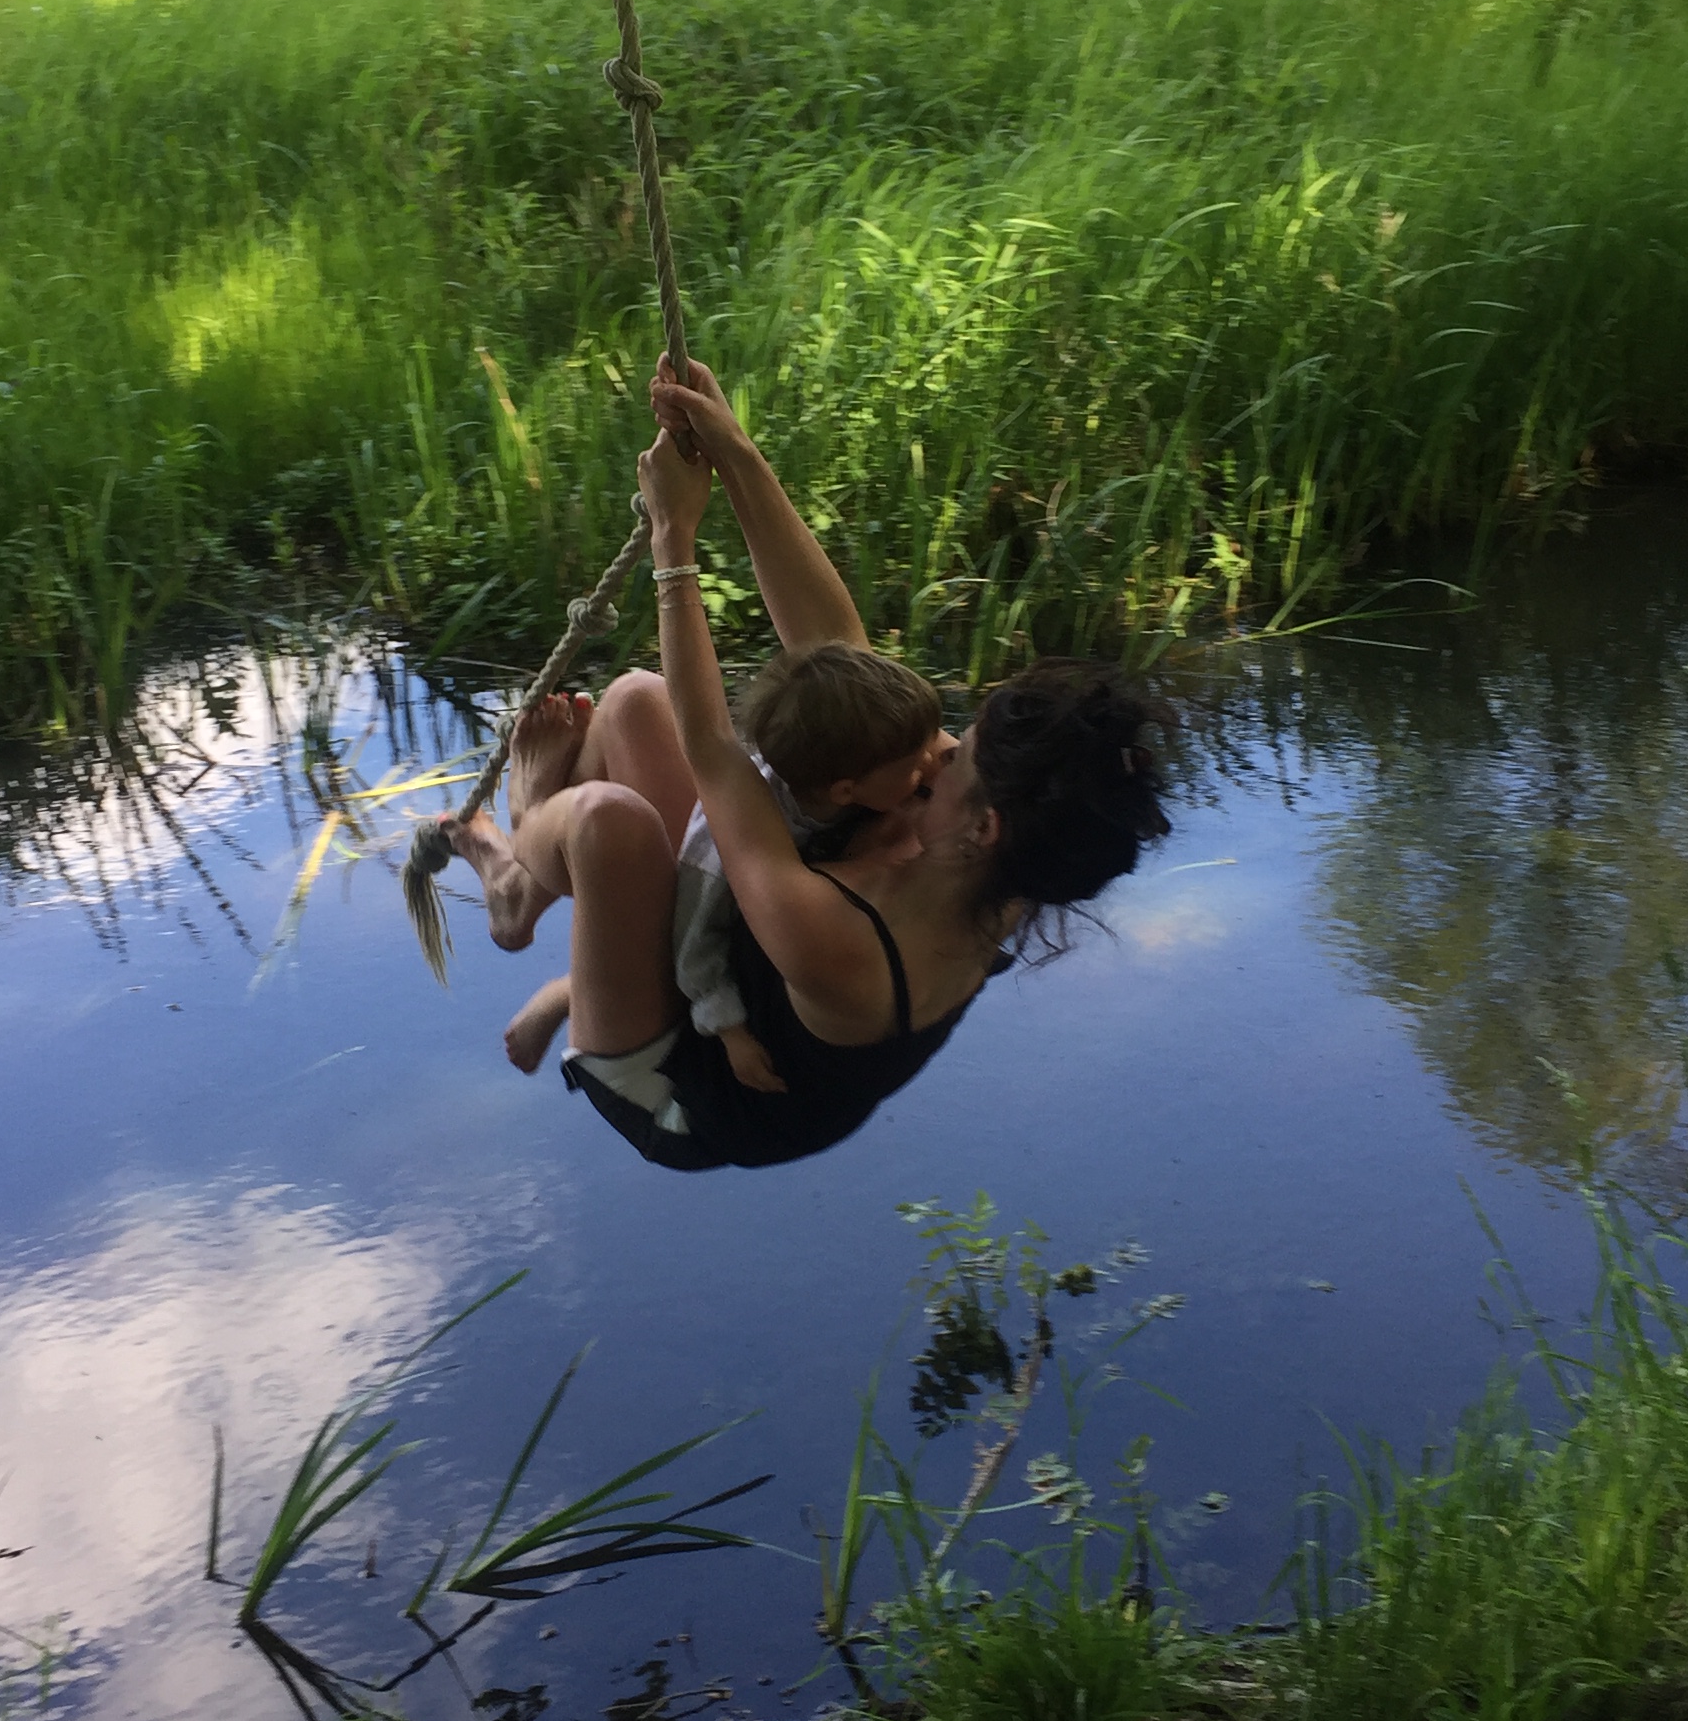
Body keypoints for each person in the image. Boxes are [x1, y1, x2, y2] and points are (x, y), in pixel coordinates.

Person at [448, 359, 1170, 1173]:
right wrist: (735, 452)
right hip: (741, 965)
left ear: (984, 827)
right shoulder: (1011, 845)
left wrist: (673, 535)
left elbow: (715, 747)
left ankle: (525, 856)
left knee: (605, 822)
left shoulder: (852, 953)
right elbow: (838, 653)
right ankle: (543, 919)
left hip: (685, 1087)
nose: (940, 753)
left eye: (958, 758)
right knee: (637, 702)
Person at [674, 641, 947, 1101]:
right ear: (844, 791)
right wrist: (728, 1031)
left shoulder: (843, 778)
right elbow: (693, 941)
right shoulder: (724, 851)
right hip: (715, 964)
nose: (931, 760)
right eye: (913, 765)